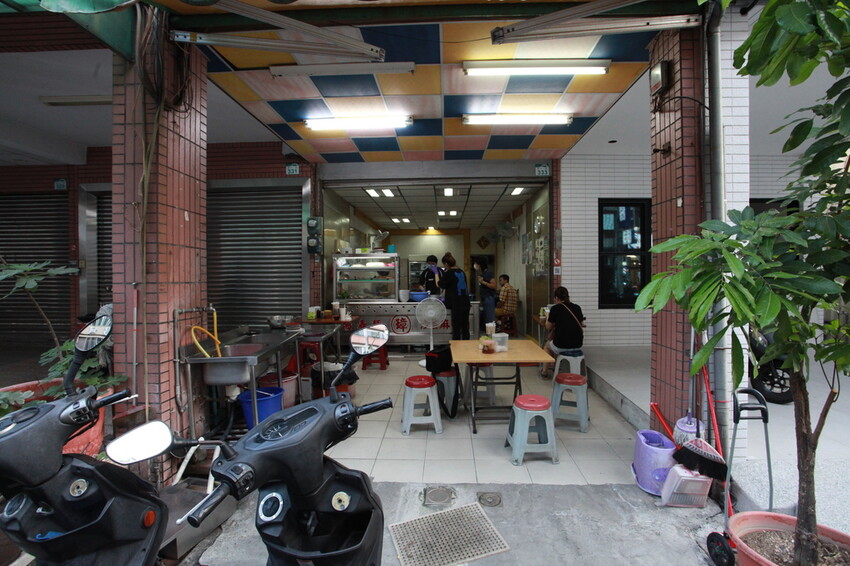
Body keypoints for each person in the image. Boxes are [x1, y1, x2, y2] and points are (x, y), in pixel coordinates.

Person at [539, 286, 585, 378]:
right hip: (578, 344)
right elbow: (582, 323)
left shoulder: (555, 309)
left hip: (561, 345)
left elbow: (548, 327)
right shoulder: (577, 307)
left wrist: (547, 316)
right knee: (555, 342)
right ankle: (557, 367)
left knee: (547, 346)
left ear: (556, 298)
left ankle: (544, 372)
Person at [436, 252, 470, 340]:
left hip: (456, 303)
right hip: (466, 302)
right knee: (465, 326)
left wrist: (436, 273)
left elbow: (439, 284)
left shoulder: (449, 273)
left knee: (456, 328)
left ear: (446, 264)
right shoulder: (462, 272)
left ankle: (456, 347)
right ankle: (467, 345)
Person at [474, 258, 497, 327]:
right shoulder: (482, 274)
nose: (475, 266)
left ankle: (491, 332)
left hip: (489, 298)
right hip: (484, 298)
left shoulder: (488, 273)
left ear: (480, 265)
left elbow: (494, 285)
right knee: (486, 318)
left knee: (490, 319)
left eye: (476, 264)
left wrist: (483, 282)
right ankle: (488, 332)